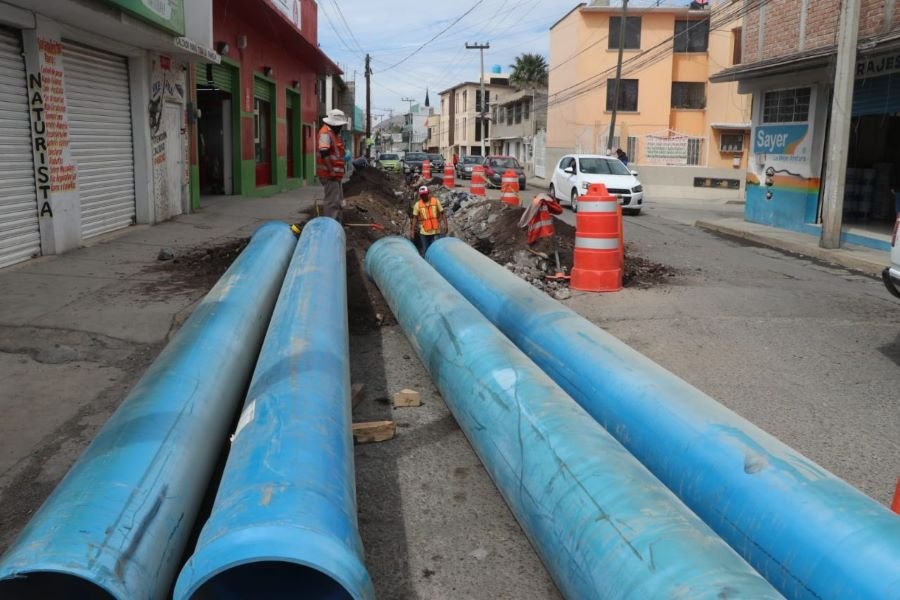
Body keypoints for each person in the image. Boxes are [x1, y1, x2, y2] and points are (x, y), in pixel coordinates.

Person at [316, 109, 348, 221]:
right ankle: (330, 225)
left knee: (339, 201)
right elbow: (324, 153)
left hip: (335, 175)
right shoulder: (325, 133)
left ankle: (337, 224)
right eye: (339, 125)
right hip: (329, 174)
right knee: (332, 202)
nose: (340, 127)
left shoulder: (333, 134)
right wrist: (332, 170)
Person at [410, 185, 446, 254]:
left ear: (428, 193)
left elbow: (443, 213)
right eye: (422, 195)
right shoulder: (417, 205)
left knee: (435, 250)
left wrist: (445, 224)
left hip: (435, 232)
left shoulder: (435, 201)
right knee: (425, 250)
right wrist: (412, 230)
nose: (423, 196)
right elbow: (415, 218)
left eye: (425, 194)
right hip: (424, 232)